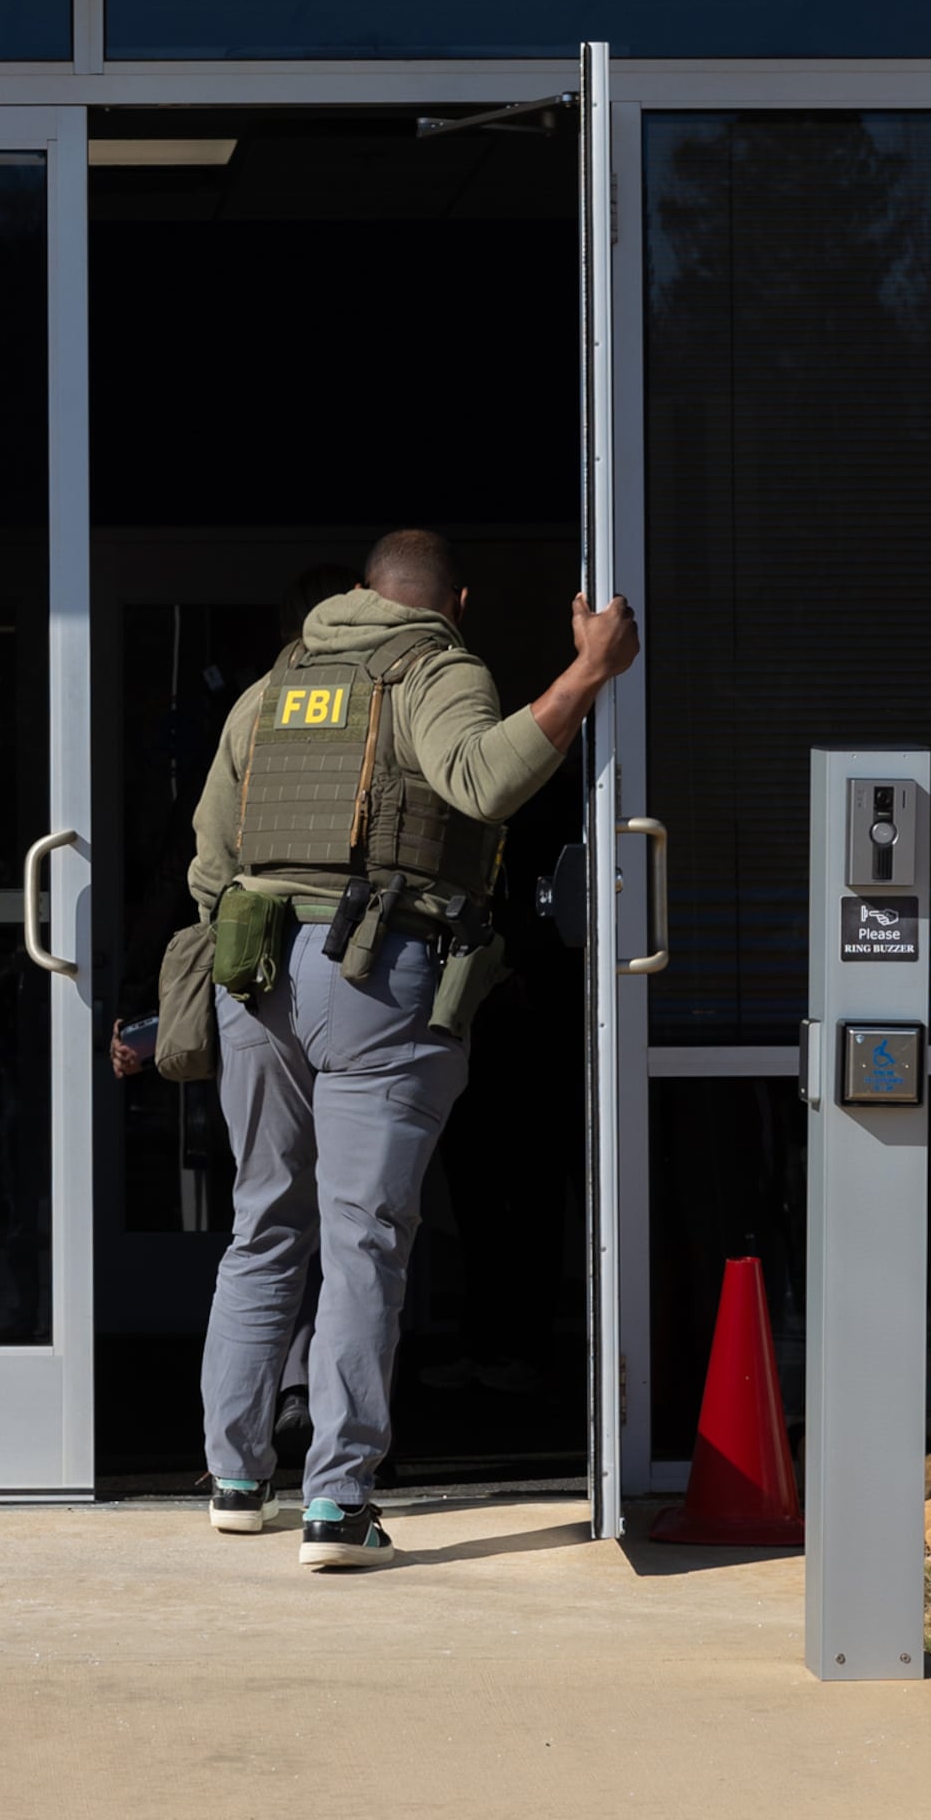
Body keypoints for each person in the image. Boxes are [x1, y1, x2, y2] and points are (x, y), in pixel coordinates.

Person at [186, 527, 639, 1569]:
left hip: (253, 973)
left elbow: (211, 862)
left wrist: (272, 938)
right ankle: (336, 1504)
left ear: (357, 594)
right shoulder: (436, 669)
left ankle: (237, 1476)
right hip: (375, 973)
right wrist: (587, 671)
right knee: (362, 1236)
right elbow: (482, 779)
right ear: (457, 600)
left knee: (263, 1225)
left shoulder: (274, 684)